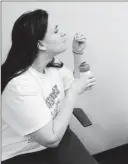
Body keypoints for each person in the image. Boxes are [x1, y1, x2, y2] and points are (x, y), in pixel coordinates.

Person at [1, 9, 97, 164]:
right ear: (40, 44)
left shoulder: (53, 65)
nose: (63, 33)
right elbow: (51, 139)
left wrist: (77, 54)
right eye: (56, 31)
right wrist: (73, 92)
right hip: (22, 153)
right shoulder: (20, 86)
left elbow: (74, 83)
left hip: (57, 135)